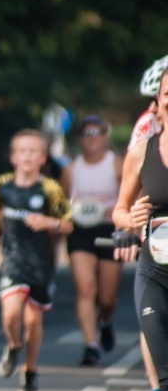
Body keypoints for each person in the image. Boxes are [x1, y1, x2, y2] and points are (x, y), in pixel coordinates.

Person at [0, 129, 72, 391]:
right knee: (11, 313)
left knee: (33, 323)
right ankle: (13, 346)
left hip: (41, 263)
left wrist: (49, 222)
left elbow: (68, 225)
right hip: (12, 259)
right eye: (22, 151)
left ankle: (30, 370)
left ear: (42, 158)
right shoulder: (2, 184)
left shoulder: (50, 188)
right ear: (13, 157)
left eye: (33, 151)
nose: (27, 156)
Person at [114, 57, 168, 391]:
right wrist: (130, 220)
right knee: (167, 380)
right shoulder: (141, 150)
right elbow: (118, 210)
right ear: (158, 102)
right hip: (155, 270)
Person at [60, 115, 123, 366]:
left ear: (105, 136)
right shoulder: (71, 169)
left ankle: (105, 321)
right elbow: (62, 203)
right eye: (86, 134)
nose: (92, 139)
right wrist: (74, 208)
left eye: (97, 133)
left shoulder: (117, 164)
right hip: (81, 232)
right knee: (86, 289)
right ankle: (90, 345)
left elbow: (131, 196)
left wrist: (109, 209)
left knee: (106, 298)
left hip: (109, 230)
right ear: (79, 139)